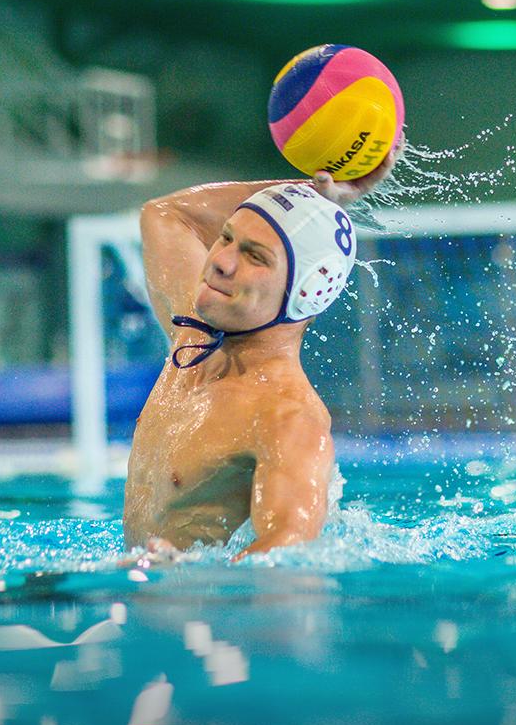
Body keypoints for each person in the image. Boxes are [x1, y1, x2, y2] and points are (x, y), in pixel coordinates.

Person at [122, 148, 399, 561]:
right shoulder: (193, 339)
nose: (219, 262)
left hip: (200, 616)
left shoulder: (287, 418)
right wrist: (308, 195)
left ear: (306, 292)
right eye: (227, 236)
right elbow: (165, 215)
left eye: (254, 256)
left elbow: (287, 554)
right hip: (142, 592)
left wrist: (187, 577)